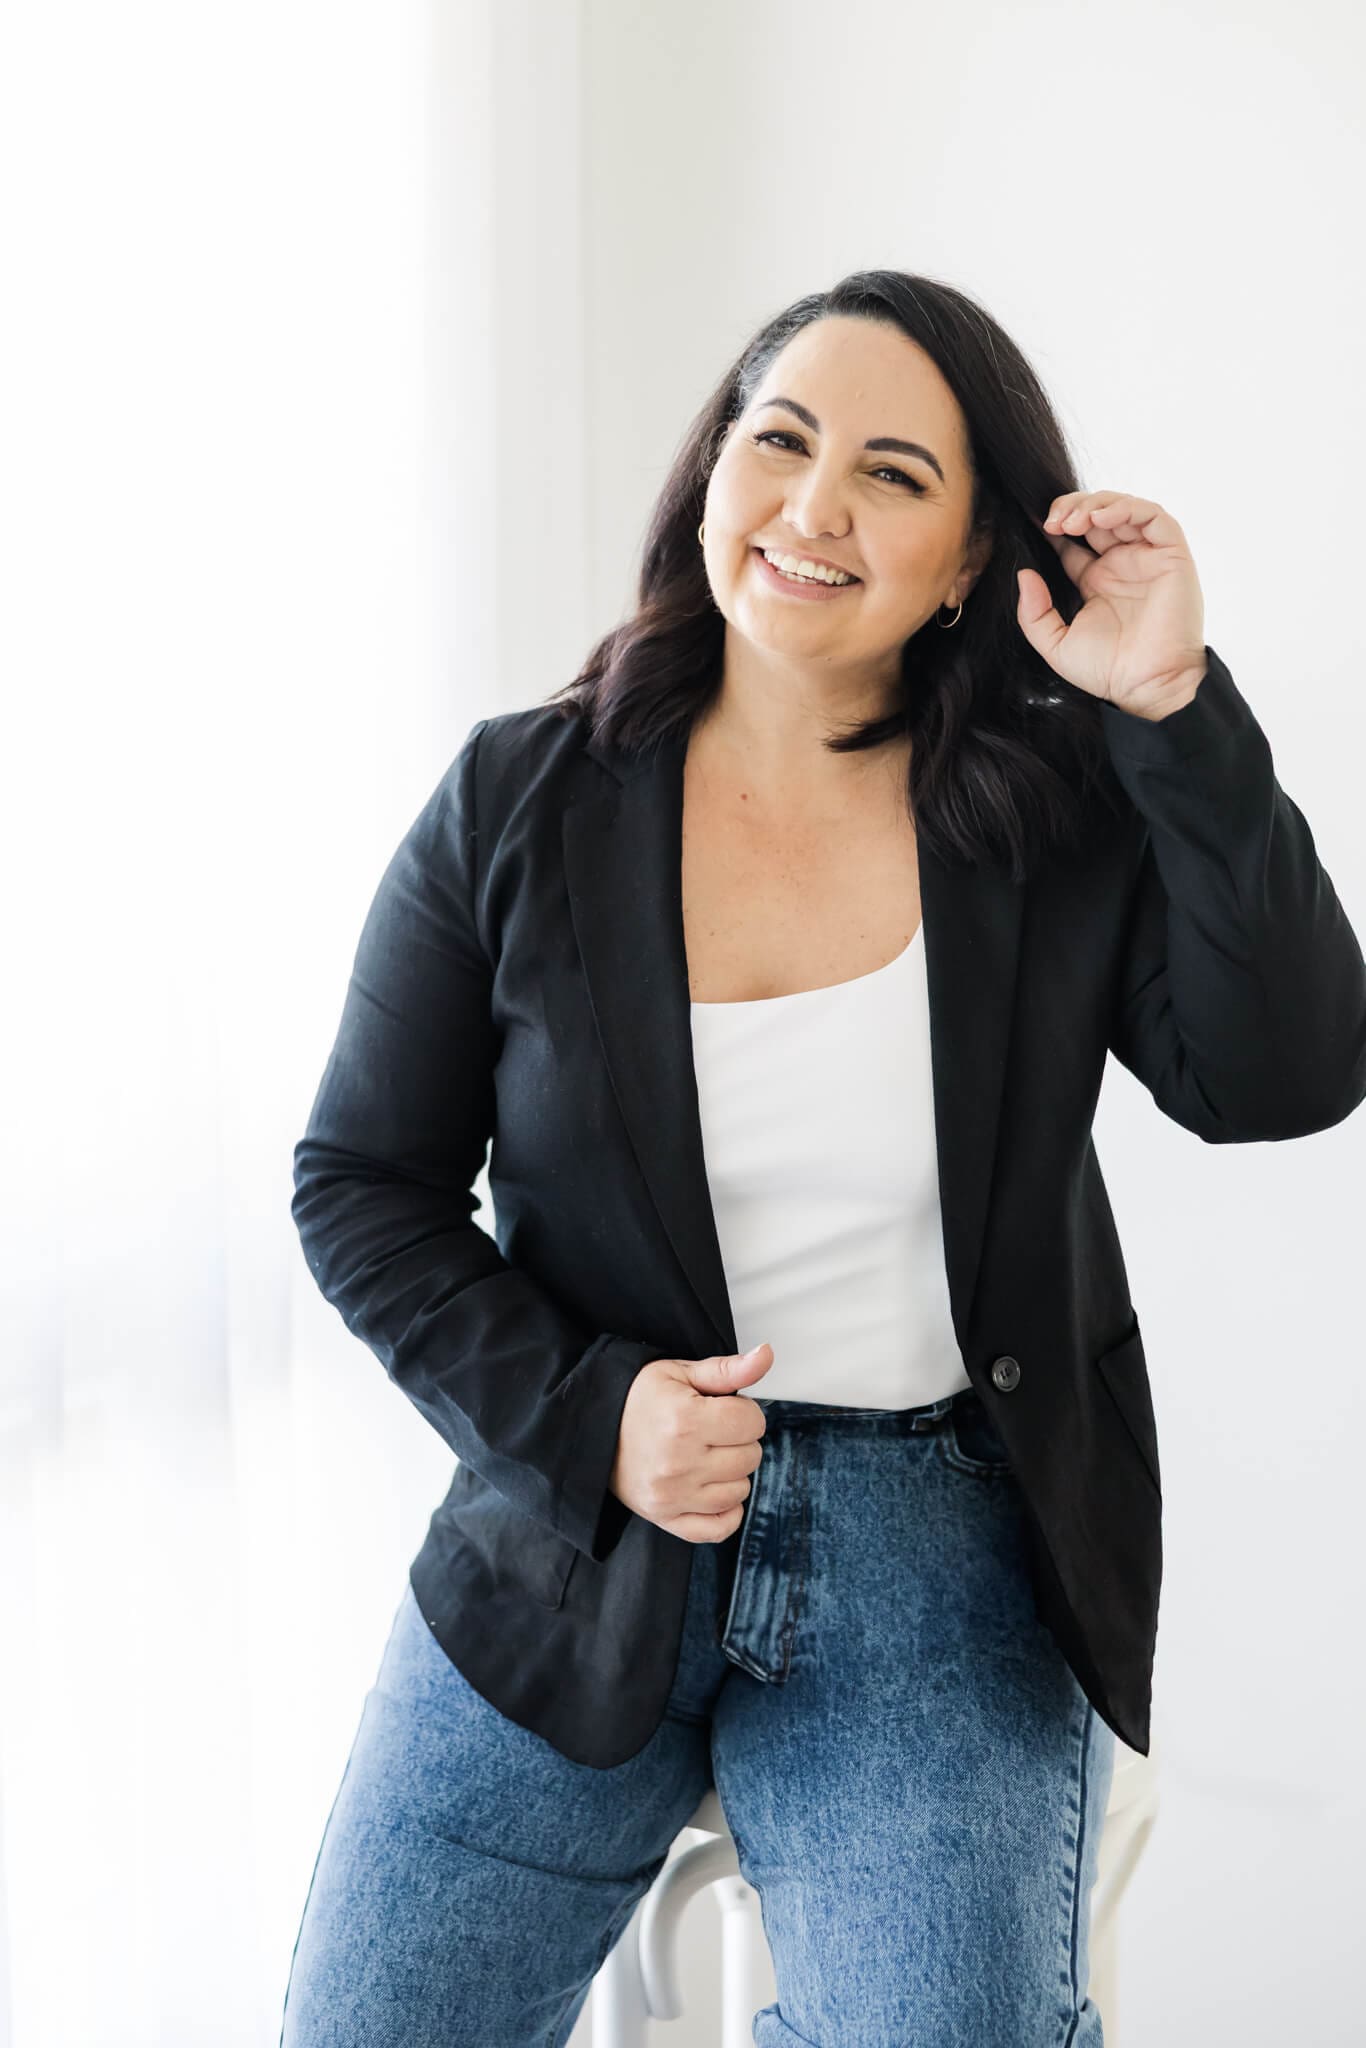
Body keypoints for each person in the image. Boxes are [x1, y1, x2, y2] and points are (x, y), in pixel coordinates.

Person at [280, 269, 1366, 2047]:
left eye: (890, 472)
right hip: (574, 1536)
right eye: (775, 441)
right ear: (710, 473)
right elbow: (359, 1183)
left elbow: (1284, 1075)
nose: (810, 506)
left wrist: (1170, 707)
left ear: (966, 560)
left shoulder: (1047, 813)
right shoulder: (518, 799)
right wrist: (588, 1413)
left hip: (939, 1552)